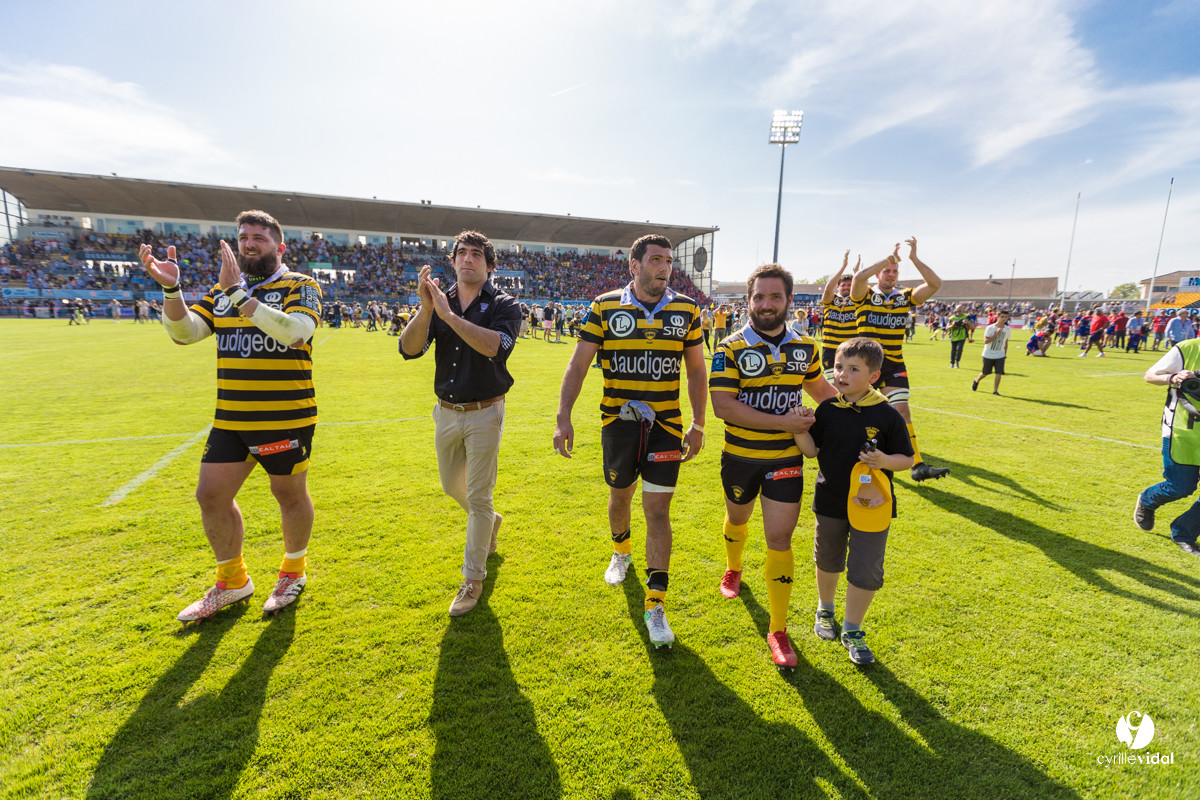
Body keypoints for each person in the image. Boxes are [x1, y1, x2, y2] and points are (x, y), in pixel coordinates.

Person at [137, 210, 323, 622]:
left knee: (288, 496)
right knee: (211, 496)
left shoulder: (301, 285)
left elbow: (296, 333)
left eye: (259, 237)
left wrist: (237, 294)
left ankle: (292, 572)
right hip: (231, 419)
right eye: (243, 237)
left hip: (283, 417)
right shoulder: (220, 292)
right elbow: (185, 334)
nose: (249, 243)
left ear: (280, 246)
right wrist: (172, 290)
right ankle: (233, 581)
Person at [553, 234, 707, 649]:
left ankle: (655, 604)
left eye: (669, 261)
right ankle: (621, 551)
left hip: (668, 427)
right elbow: (579, 364)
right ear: (633, 266)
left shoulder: (688, 309)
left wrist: (699, 422)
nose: (664, 267)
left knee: (657, 510)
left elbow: (695, 371)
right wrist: (563, 416)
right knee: (620, 496)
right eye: (655, 259)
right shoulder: (604, 306)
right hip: (618, 425)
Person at [709, 264, 835, 667]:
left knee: (780, 540)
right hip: (740, 457)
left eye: (774, 297)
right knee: (738, 520)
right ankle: (733, 568)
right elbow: (723, 406)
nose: (766, 304)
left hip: (785, 460)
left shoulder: (807, 347)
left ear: (788, 301)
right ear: (748, 301)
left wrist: (867, 413)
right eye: (759, 297)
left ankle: (777, 630)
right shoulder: (728, 348)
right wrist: (784, 422)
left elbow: (823, 393)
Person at [400, 230, 522, 616]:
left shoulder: (505, 304)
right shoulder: (437, 301)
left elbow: (495, 348)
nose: (467, 259)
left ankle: (473, 579)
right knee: (450, 486)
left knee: (479, 497)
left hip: (485, 411)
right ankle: (491, 523)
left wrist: (449, 317)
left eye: (476, 254)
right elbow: (409, 349)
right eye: (461, 254)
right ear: (452, 261)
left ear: (489, 265)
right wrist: (425, 309)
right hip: (446, 411)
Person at [795, 337, 914, 665]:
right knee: (828, 558)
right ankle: (825, 609)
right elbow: (811, 451)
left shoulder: (887, 415)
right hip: (831, 500)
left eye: (852, 369)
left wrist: (884, 462)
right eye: (837, 368)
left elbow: (906, 458)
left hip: (872, 505)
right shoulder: (828, 409)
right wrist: (799, 427)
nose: (841, 375)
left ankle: (853, 629)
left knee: (865, 568)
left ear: (873, 376)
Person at [849, 237, 949, 481]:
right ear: (878, 273)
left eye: (894, 271)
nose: (891, 273)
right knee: (861, 414)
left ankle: (917, 465)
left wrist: (913, 258)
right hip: (865, 363)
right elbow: (858, 278)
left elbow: (935, 283)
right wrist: (888, 258)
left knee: (902, 410)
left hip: (893, 363)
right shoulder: (863, 294)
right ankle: (859, 458)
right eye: (887, 270)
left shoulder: (904, 296)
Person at [1135, 335, 1200, 557]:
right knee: (1180, 486)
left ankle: (1184, 532)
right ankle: (1147, 500)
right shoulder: (1188, 348)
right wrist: (1174, 377)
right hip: (1182, 431)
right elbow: (1150, 375)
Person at [819, 251, 860, 382]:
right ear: (837, 287)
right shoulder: (831, 300)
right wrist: (843, 267)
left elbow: (862, 287)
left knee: (849, 384)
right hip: (831, 349)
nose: (846, 287)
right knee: (833, 384)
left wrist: (857, 273)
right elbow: (827, 289)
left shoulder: (858, 300)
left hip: (852, 349)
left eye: (850, 285)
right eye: (843, 285)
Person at [972, 310, 1011, 394]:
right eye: (1002, 317)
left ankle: (995, 391)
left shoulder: (1008, 329)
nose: (1004, 319)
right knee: (985, 372)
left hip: (1000, 355)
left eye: (1006, 317)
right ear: (998, 317)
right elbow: (986, 341)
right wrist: (997, 334)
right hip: (988, 354)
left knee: (999, 373)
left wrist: (1004, 354)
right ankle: (976, 380)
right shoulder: (990, 328)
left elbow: (1006, 342)